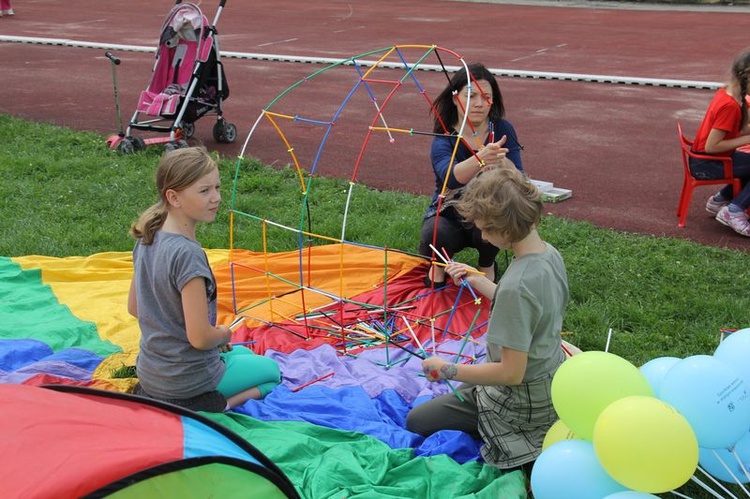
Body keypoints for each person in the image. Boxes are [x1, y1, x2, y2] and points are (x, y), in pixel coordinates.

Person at [406, 167, 568, 473]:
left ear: (503, 230)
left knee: (417, 421)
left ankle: (508, 438)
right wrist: (477, 279)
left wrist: (448, 370)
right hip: (551, 380)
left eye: (483, 229)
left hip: (521, 401)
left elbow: (510, 373)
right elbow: (528, 307)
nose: (481, 236)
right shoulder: (548, 255)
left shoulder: (517, 285)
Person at [128, 146, 281, 412]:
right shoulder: (188, 254)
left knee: (241, 354)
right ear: (174, 197)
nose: (216, 198)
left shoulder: (148, 236)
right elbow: (199, 338)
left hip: (152, 375)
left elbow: (134, 307)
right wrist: (224, 332)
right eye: (204, 191)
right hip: (187, 382)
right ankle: (213, 406)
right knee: (271, 372)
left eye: (217, 188)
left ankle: (191, 397)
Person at [419, 62, 524, 287]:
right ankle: (438, 269)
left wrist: (500, 160)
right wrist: (480, 159)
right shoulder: (445, 136)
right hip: (450, 211)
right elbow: (450, 177)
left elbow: (520, 180)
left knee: (497, 218)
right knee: (434, 233)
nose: (479, 103)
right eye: (471, 95)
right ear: (455, 98)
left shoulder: (503, 129)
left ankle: (487, 266)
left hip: (487, 210)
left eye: (486, 96)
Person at [691, 48, 750, 237]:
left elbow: (738, 128)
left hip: (712, 158)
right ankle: (734, 210)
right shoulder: (729, 106)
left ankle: (720, 200)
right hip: (707, 163)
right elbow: (712, 146)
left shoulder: (732, 95)